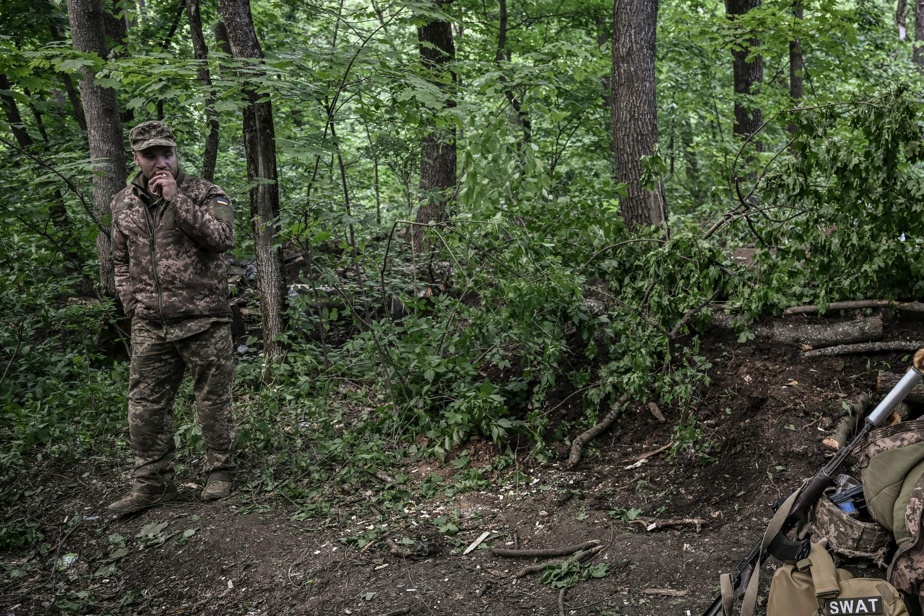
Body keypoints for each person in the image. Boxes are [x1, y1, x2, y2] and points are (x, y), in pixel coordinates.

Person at [107, 120, 237, 515]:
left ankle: (220, 471)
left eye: (167, 153)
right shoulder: (123, 203)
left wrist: (176, 199)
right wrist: (132, 303)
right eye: (150, 155)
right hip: (150, 323)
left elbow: (222, 239)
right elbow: (120, 260)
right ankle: (152, 483)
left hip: (204, 318)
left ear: (176, 153)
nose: (160, 162)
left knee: (212, 402)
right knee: (145, 406)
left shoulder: (206, 193)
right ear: (137, 158)